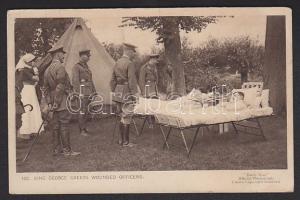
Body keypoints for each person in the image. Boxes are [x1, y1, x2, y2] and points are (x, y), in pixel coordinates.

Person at [43, 45, 80, 156]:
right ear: (57, 54)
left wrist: (49, 102)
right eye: (62, 53)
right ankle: (67, 151)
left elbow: (45, 89)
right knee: (64, 125)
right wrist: (56, 103)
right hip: (61, 101)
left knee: (55, 126)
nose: (64, 55)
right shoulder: (60, 67)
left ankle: (56, 150)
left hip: (53, 101)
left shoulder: (47, 69)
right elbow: (60, 86)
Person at [110, 43, 139, 147]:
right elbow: (132, 81)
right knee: (127, 115)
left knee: (121, 115)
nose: (133, 54)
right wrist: (135, 94)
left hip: (118, 90)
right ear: (128, 51)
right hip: (126, 91)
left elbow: (112, 79)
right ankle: (126, 142)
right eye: (132, 52)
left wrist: (114, 91)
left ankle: (121, 140)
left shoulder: (117, 62)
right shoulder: (129, 63)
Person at [15, 53, 44, 140]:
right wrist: (35, 73)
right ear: (28, 62)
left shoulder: (26, 69)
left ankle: (32, 130)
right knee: (28, 108)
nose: (34, 62)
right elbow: (36, 79)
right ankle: (25, 132)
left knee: (33, 109)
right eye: (33, 61)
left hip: (30, 90)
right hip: (27, 90)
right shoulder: (24, 70)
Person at [72, 49, 96, 136]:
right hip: (82, 92)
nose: (89, 57)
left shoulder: (86, 67)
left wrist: (94, 91)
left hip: (88, 92)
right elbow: (75, 81)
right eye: (87, 55)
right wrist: (79, 93)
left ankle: (84, 127)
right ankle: (82, 130)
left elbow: (90, 80)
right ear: (82, 56)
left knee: (86, 111)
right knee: (82, 111)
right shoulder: (76, 67)